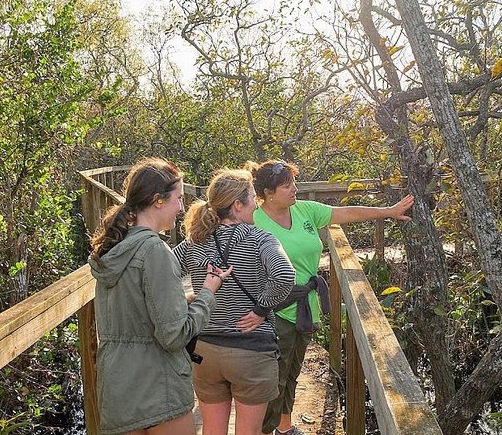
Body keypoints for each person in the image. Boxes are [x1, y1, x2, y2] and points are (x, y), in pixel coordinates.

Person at [248, 160, 415, 435]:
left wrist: (387, 211)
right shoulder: (253, 218)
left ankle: (284, 427)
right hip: (272, 311)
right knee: (272, 379)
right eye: (287, 185)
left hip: (305, 307)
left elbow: (347, 212)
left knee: (291, 373)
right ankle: (263, 430)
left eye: (294, 182)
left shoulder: (304, 210)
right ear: (267, 192)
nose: (294, 189)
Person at [88, 157, 232, 435]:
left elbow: (135, 311)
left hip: (117, 387)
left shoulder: (113, 249)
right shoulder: (155, 251)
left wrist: (179, 302)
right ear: (157, 200)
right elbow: (174, 335)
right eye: (178, 199)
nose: (181, 208)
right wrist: (207, 293)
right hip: (158, 389)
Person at [173, 168, 296, 435]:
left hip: (206, 351)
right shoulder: (259, 238)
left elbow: (162, 271)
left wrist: (187, 300)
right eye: (252, 198)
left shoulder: (196, 240)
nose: (257, 204)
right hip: (250, 351)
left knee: (212, 431)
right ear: (238, 206)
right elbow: (285, 275)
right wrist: (262, 309)